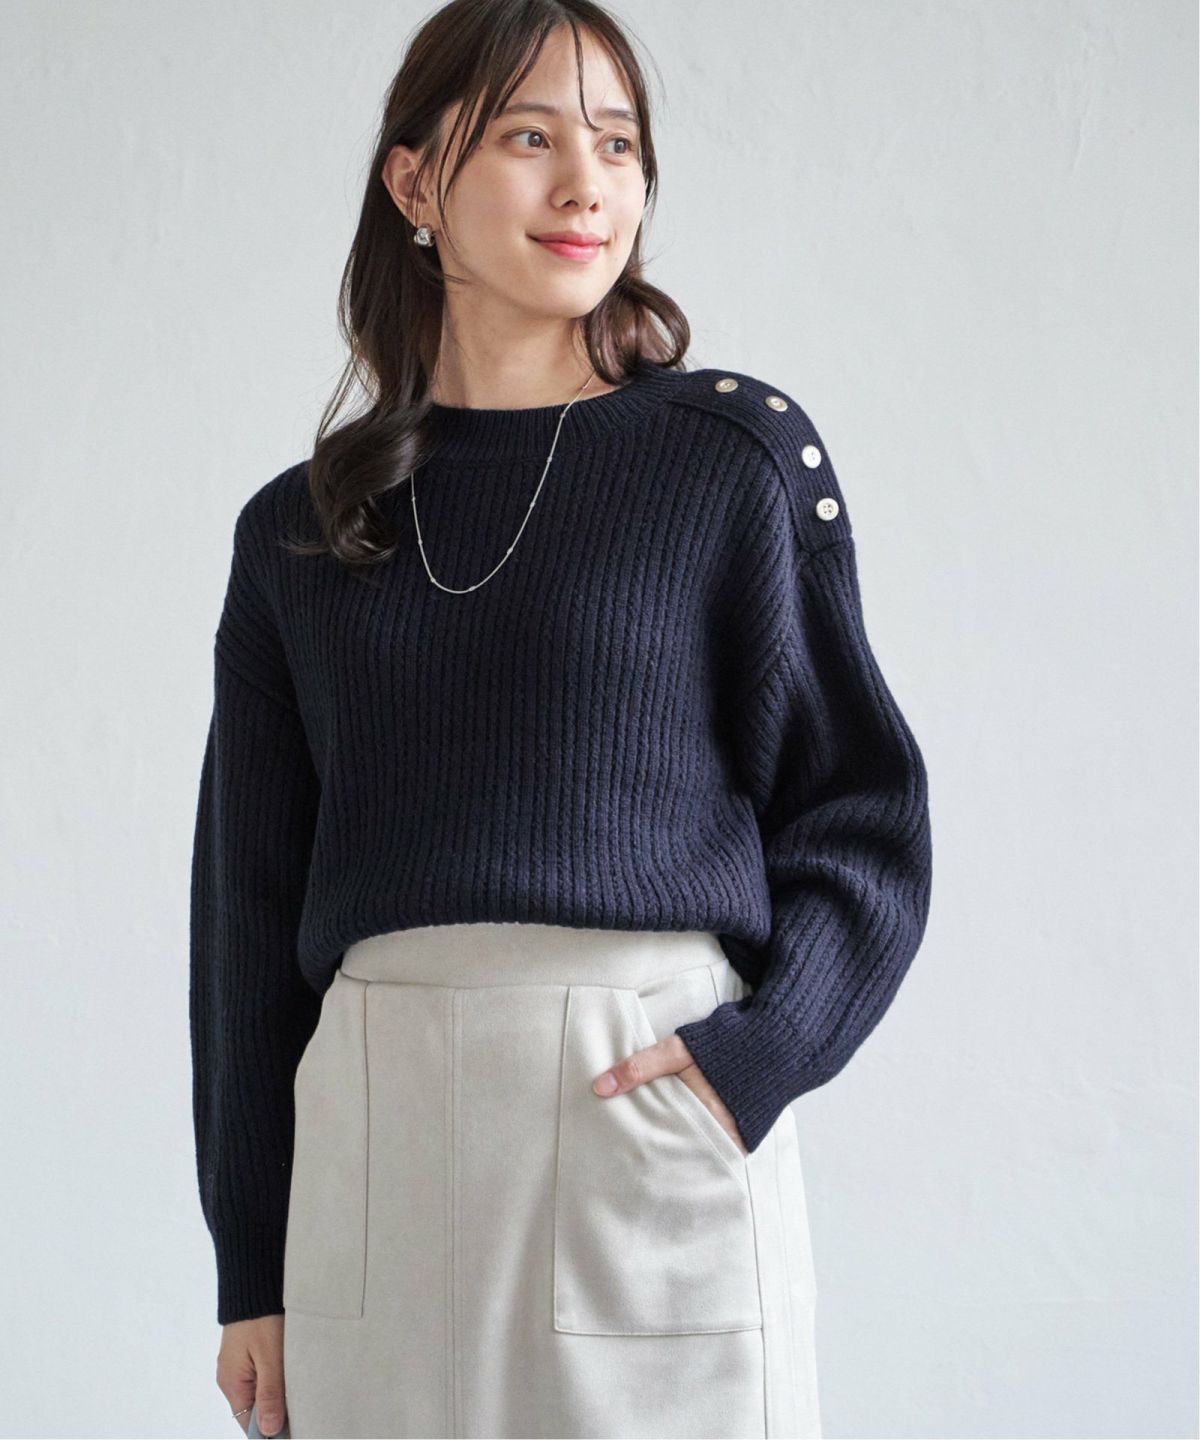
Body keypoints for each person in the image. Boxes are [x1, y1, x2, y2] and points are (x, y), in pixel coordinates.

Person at [188, 2, 934, 1437]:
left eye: (618, 144)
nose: (586, 184)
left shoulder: (732, 461)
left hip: (637, 1091)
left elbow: (861, 813)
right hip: (375, 1130)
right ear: (416, 181)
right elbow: (246, 921)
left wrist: (756, 1061)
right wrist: (249, 1268)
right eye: (530, 138)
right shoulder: (300, 531)